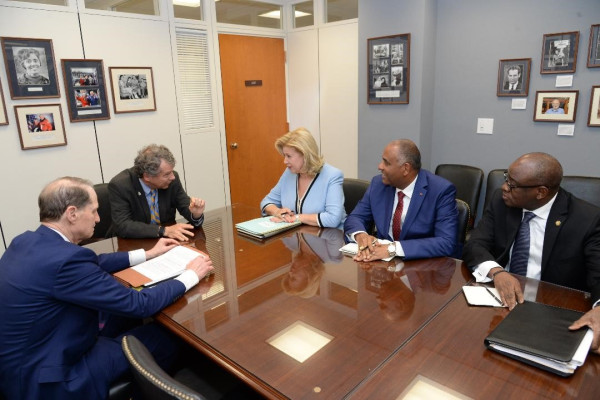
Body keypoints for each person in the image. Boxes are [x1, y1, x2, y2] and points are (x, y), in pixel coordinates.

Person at [0, 177, 214, 399]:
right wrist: (191, 275)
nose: (98, 218)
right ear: (72, 213)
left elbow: (94, 262)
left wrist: (148, 254)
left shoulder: (26, 241)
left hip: (29, 356)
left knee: (123, 318)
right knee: (167, 336)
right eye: (94, 211)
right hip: (51, 380)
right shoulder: (66, 261)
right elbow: (139, 304)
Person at [462, 153, 600, 352]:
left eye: (512, 185)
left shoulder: (587, 219)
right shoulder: (502, 201)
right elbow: (475, 244)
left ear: (540, 192)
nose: (504, 187)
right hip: (499, 300)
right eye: (506, 178)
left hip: (552, 310)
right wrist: (497, 272)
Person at [344, 139, 459, 261]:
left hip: (421, 266)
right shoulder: (378, 184)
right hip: (382, 264)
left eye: (386, 163)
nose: (380, 166)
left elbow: (446, 242)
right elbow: (356, 217)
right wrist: (360, 235)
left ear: (405, 168)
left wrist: (393, 249)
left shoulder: (440, 190)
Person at [108, 144, 206, 241]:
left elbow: (184, 205)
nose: (172, 177)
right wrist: (163, 230)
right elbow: (123, 226)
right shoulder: (121, 185)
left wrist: (196, 215)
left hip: (168, 241)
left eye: (171, 171)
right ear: (147, 176)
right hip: (135, 243)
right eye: (167, 174)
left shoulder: (172, 180)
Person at [260, 127, 346, 229]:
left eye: (289, 156)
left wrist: (296, 218)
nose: (285, 161)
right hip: (299, 235)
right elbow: (266, 202)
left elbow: (333, 218)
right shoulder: (289, 173)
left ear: (305, 154)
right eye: (284, 156)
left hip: (330, 236)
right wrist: (277, 211)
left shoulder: (332, 175)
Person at [281, 226, 344, 298]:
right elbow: (336, 236)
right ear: (308, 278)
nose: (290, 272)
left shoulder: (290, 244)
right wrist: (303, 229)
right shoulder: (331, 257)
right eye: (293, 278)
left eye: (288, 276)